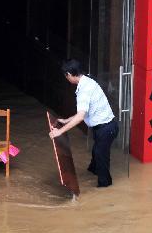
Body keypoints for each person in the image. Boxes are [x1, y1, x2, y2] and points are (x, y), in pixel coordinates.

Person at [49, 59, 119, 188]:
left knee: (100, 156)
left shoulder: (84, 90)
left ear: (69, 74)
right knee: (96, 154)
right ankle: (92, 173)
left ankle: (105, 186)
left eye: (66, 76)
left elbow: (80, 117)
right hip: (103, 127)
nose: (66, 78)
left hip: (106, 128)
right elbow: (84, 112)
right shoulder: (86, 81)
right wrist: (66, 120)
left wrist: (60, 131)